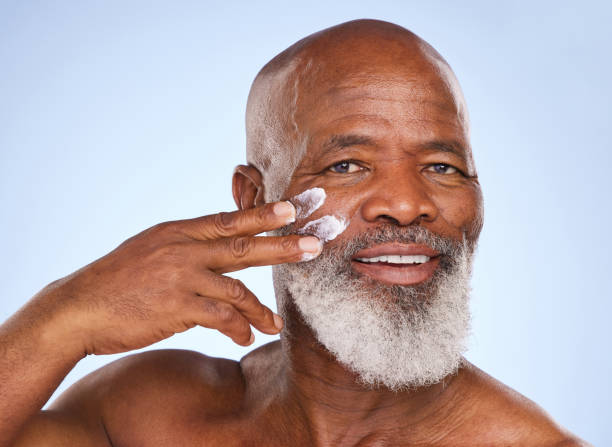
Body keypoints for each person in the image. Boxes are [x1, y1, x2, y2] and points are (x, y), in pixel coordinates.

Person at [0, 18, 589, 446]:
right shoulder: (147, 418)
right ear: (255, 200)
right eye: (346, 165)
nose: (409, 205)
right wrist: (64, 314)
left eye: (443, 168)